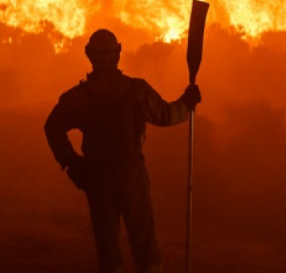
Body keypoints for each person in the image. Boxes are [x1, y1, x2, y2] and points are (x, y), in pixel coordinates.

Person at [44, 29, 202, 273]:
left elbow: (52, 127)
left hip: (96, 177)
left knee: (108, 248)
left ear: (88, 54)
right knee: (144, 242)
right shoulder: (136, 91)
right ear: (118, 53)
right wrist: (187, 103)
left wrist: (72, 163)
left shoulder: (78, 97)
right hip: (131, 175)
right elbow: (166, 115)